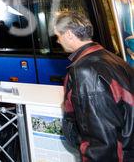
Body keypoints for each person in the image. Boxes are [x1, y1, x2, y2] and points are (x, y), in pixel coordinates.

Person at [54, 11, 134, 161]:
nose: (58, 41)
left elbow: (100, 140)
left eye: (58, 35)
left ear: (69, 34)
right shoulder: (111, 58)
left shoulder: (85, 71)